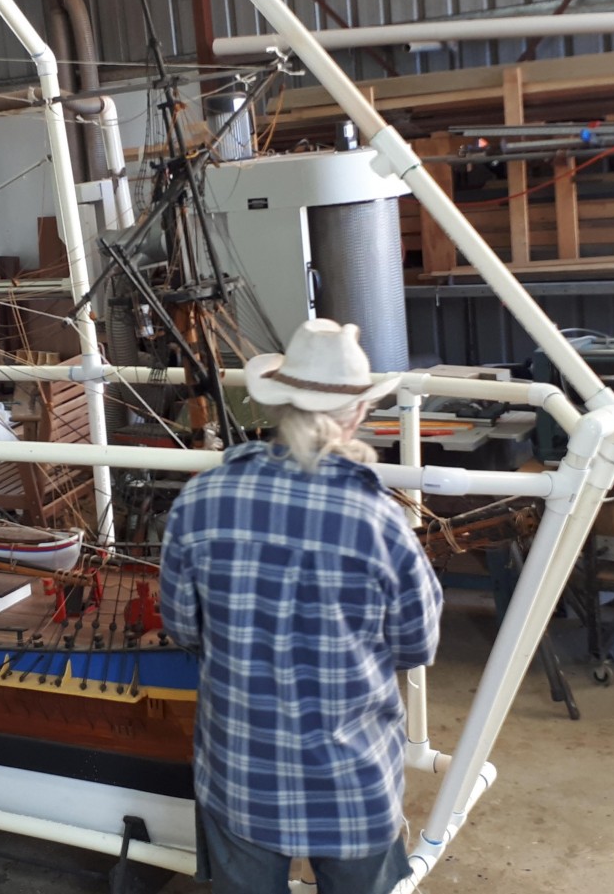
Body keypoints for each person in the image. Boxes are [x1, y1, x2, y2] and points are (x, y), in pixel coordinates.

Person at [160, 319, 443, 894]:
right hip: (353, 780)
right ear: (358, 414)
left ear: (281, 404)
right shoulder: (382, 521)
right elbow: (418, 644)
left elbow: (183, 627)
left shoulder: (202, 498)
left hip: (241, 768)